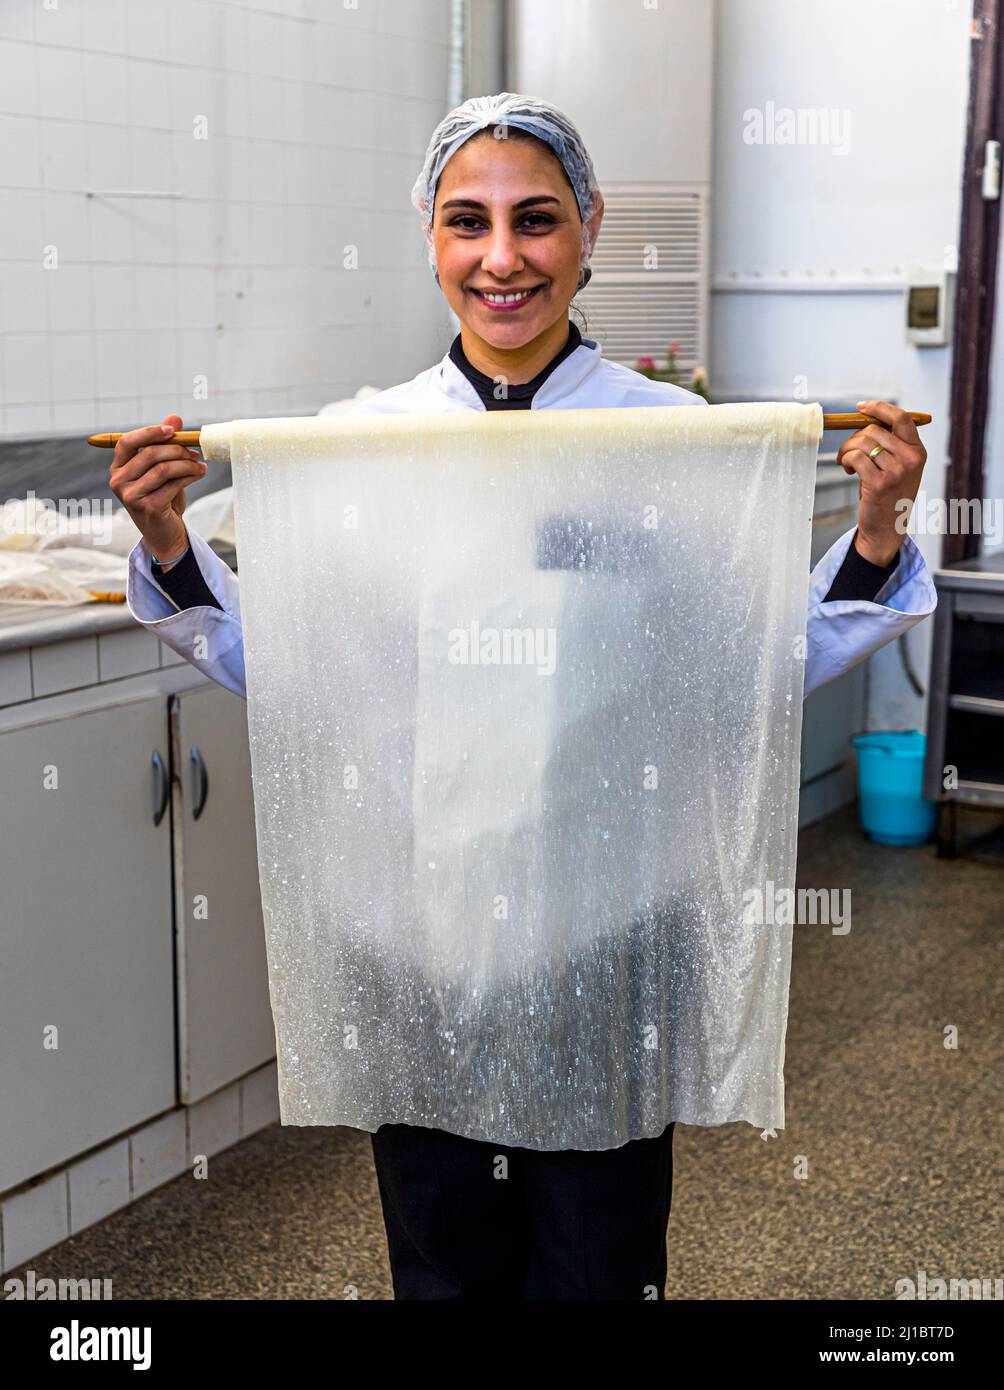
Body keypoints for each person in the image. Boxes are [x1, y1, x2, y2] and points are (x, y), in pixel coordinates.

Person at [112, 93, 937, 1300]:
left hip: (606, 933)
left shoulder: (672, 445)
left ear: (589, 228)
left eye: (535, 220)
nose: (502, 258)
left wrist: (873, 528)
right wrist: (170, 536)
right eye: (468, 223)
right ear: (430, 238)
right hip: (419, 933)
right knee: (441, 1262)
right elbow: (285, 672)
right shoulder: (362, 448)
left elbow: (757, 664)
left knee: (595, 1261)